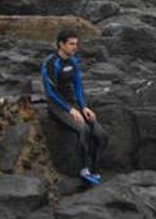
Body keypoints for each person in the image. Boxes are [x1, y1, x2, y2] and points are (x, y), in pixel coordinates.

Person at [41, 28, 109, 186]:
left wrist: (83, 107)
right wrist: (69, 109)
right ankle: (83, 170)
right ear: (61, 44)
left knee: (101, 134)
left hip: (73, 102)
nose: (75, 47)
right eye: (71, 44)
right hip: (57, 105)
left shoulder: (73, 61)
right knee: (82, 129)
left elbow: (78, 86)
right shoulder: (51, 63)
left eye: (76, 44)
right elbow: (50, 92)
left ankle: (95, 171)